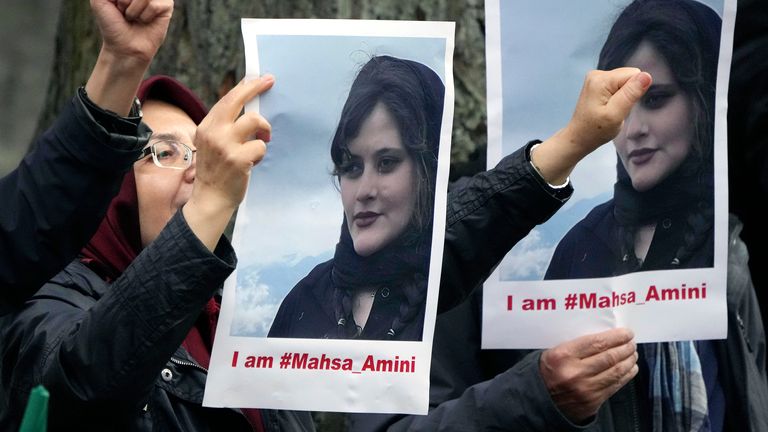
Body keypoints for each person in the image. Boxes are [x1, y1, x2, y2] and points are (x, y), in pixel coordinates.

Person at [0, 75, 313, 431]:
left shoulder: (241, 315)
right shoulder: (45, 296)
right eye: (165, 152)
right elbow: (76, 394)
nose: (200, 172)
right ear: (108, 185)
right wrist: (209, 203)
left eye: (204, 154)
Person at [543, 1, 768, 430]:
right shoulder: (579, 247)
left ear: (703, 101)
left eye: (656, 99)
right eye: (617, 107)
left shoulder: (738, 238)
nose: (633, 128)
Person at [0, 0, 172, 306]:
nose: (200, 171)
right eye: (166, 152)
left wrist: (123, 61)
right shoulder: (56, 306)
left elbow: (16, 232)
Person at [268, 55, 444, 341]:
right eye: (352, 167)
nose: (364, 191)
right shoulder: (305, 299)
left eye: (386, 162)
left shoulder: (462, 294)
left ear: (429, 170)